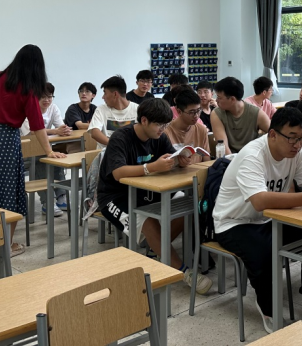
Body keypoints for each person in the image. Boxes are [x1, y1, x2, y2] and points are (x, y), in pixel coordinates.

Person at [214, 107, 302, 331]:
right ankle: (270, 310)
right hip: (234, 223)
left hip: (269, 220)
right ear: (273, 134)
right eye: (292, 138)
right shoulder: (252, 155)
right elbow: (260, 201)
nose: (297, 144)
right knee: (265, 251)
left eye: (301, 138)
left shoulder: (296, 152)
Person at [97, 98, 213, 294]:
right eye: (159, 125)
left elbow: (170, 157)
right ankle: (184, 272)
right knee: (147, 220)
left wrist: (180, 161)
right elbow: (118, 173)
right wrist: (151, 167)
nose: (163, 129)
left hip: (147, 190)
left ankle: (155, 248)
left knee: (189, 207)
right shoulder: (121, 137)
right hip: (114, 196)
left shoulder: (159, 136)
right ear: (144, 120)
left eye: (165, 125)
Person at [0, 45, 66, 257]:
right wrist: (49, 151)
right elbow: (37, 125)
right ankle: (5, 245)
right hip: (5, 140)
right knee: (7, 191)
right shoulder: (27, 89)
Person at [22, 83, 72, 217]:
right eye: (43, 97)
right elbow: (32, 131)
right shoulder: (28, 108)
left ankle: (61, 197)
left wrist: (64, 130)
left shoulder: (53, 108)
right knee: (41, 160)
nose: (47, 100)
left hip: (46, 149)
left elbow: (61, 126)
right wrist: (55, 131)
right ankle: (47, 202)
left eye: (50, 97)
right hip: (26, 153)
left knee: (57, 157)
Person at [211, 77, 270, 154]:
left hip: (252, 157)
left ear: (232, 99)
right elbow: (223, 147)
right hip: (230, 158)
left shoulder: (256, 113)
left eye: (219, 98)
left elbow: (275, 134)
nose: (216, 100)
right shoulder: (216, 114)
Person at [164, 87, 210, 164]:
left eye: (198, 110)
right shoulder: (166, 132)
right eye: (191, 112)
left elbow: (206, 161)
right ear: (179, 112)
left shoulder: (201, 130)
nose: (196, 115)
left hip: (198, 170)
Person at [89, 75, 138, 147]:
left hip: (130, 152)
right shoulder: (101, 109)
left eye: (105, 93)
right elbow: (95, 133)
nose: (103, 97)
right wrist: (116, 145)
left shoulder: (138, 109)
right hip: (106, 151)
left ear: (115, 94)